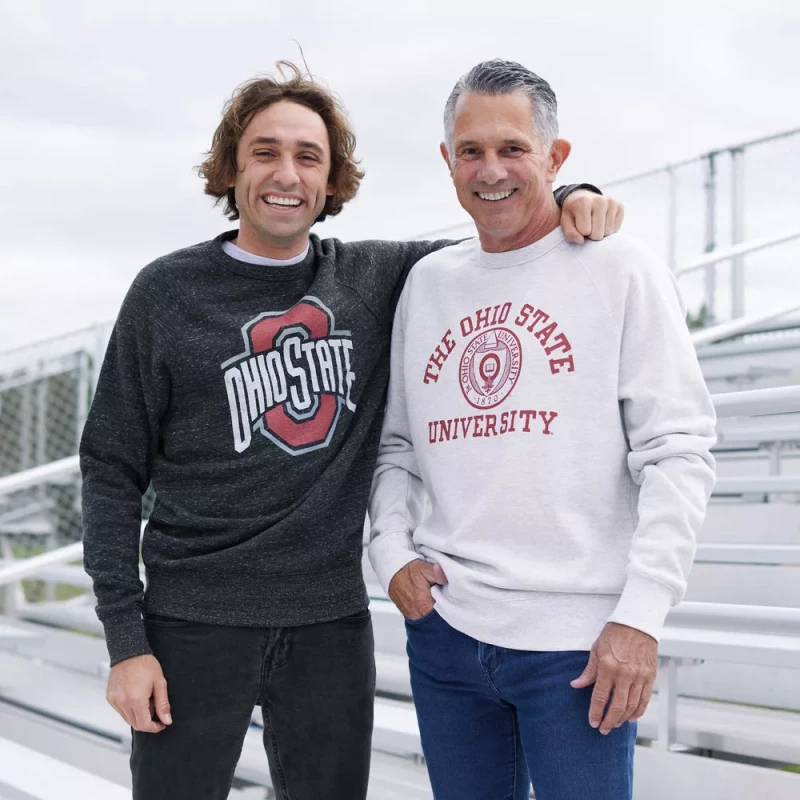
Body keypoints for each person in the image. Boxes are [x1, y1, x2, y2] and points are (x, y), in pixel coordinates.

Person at [79, 60, 623, 800]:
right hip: (192, 623)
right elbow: (110, 468)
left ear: (332, 179)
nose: (287, 175)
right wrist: (126, 643)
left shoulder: (377, 278)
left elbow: (501, 225)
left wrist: (570, 194)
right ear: (232, 165)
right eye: (265, 151)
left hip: (328, 627)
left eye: (309, 157)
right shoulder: (165, 293)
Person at [368, 59, 716, 800]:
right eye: (471, 151)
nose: (490, 170)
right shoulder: (429, 284)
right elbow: (396, 446)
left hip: (579, 649)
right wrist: (390, 550)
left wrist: (641, 620)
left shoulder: (619, 268)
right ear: (447, 162)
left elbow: (678, 451)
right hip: (447, 634)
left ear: (556, 158)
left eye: (513, 148)